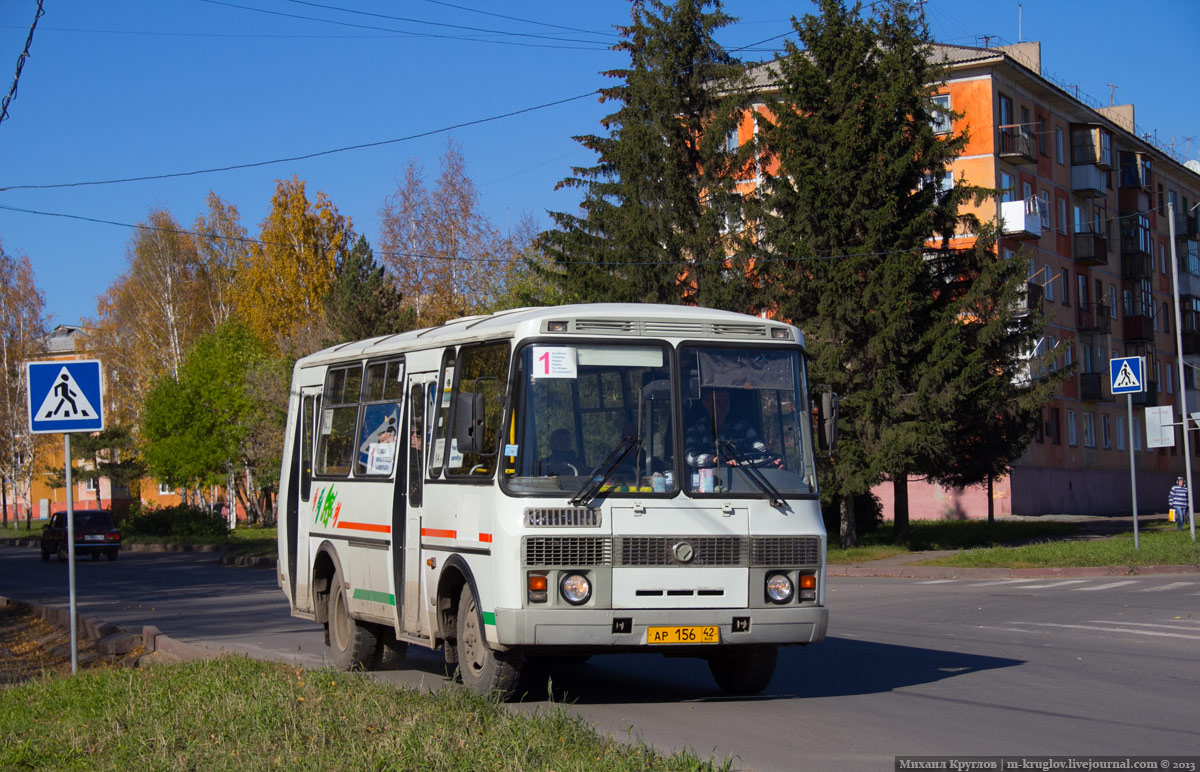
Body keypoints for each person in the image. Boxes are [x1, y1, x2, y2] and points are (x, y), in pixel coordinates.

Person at [685, 389, 782, 471]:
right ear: (705, 404)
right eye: (718, 402)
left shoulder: (742, 427)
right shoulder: (695, 430)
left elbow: (760, 449)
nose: (724, 406)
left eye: (726, 401)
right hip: (714, 486)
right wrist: (714, 459)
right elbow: (690, 457)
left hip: (747, 480)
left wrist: (771, 460)